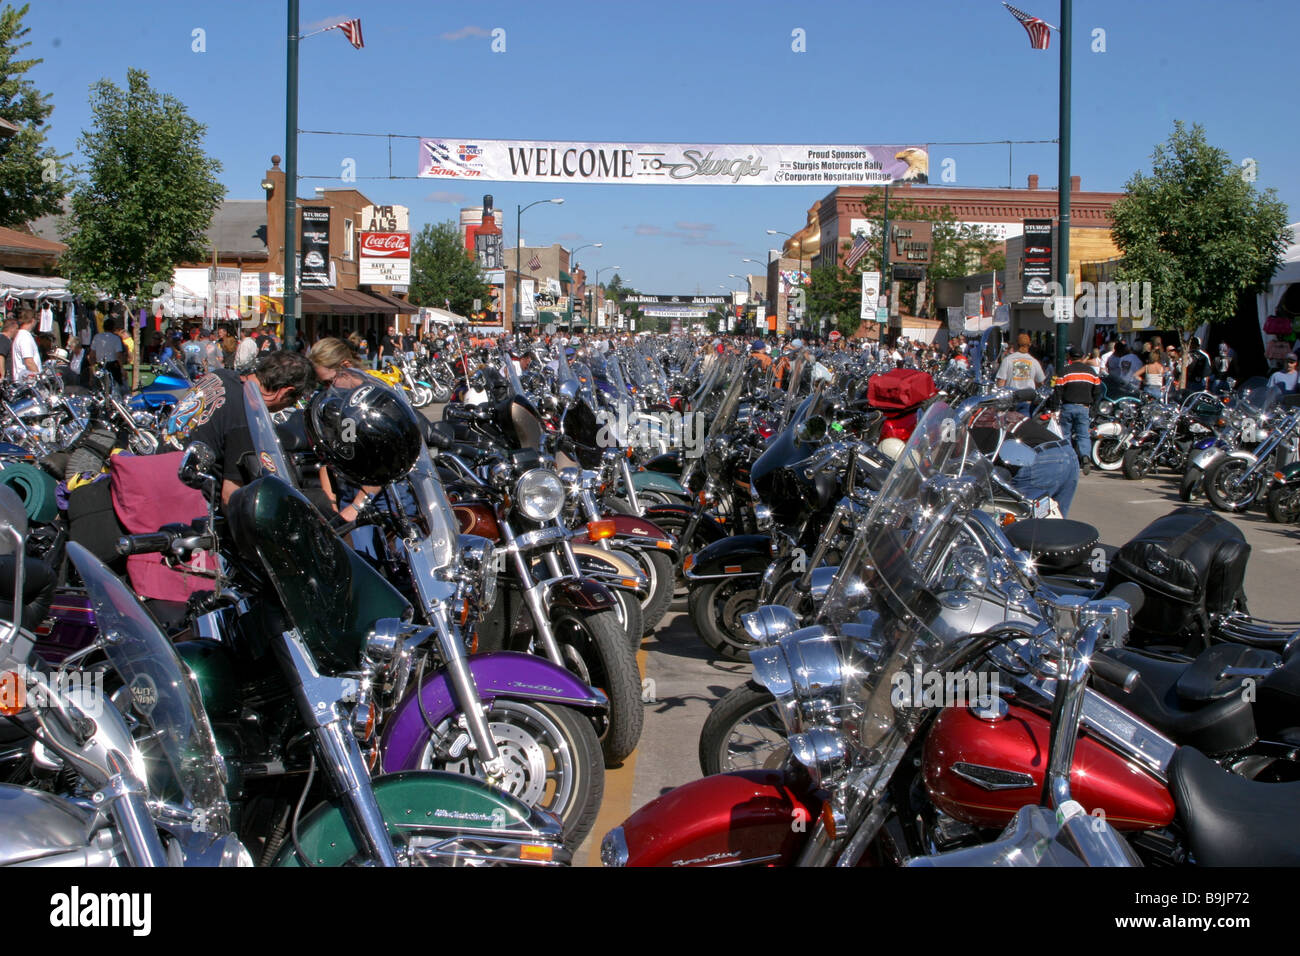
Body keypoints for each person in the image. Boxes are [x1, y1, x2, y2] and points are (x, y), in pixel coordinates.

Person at [164, 350, 314, 505]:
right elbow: (230, 497)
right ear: (285, 392)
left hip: (159, 473)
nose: (289, 406)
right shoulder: (246, 418)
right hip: (185, 500)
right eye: (293, 401)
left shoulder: (220, 375)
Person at [969, 406, 1081, 517]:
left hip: (1041, 459)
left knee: (1024, 521)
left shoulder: (973, 425)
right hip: (1067, 452)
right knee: (1055, 524)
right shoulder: (993, 415)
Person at [1055, 345, 1101, 474]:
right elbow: (1098, 391)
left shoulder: (1065, 371)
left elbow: (1057, 391)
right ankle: (1085, 456)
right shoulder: (1091, 372)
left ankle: (1069, 459)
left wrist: (1054, 408)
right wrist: (1094, 407)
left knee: (1066, 434)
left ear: (1069, 357)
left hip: (1067, 406)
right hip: (1084, 408)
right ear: (1082, 357)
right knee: (1083, 434)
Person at [996, 333, 1046, 414]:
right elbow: (1041, 383)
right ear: (1029, 345)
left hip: (1011, 400)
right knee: (1025, 425)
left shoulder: (1008, 360)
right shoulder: (1034, 362)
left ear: (1016, 345)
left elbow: (1001, 382)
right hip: (1027, 400)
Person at [11, 310, 40, 383]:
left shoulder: (21, 335)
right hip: (27, 382)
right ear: (33, 320)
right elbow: (29, 361)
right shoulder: (24, 337)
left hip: (26, 380)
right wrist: (40, 379)